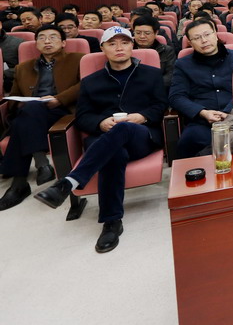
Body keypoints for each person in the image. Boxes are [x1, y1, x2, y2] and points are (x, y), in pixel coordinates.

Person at [34, 27, 167, 253]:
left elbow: (161, 105)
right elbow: (82, 116)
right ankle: (111, 222)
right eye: (112, 44)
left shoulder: (151, 74)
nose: (119, 48)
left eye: (124, 43)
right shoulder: (90, 81)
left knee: (124, 128)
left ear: (132, 46)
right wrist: (100, 123)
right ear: (103, 48)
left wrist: (142, 116)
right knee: (114, 153)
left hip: (141, 136)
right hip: (104, 139)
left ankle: (70, 182)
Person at [0, 26, 84, 210]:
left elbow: (85, 84)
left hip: (63, 111)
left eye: (53, 37)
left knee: (22, 121)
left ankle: (21, 183)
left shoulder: (78, 59)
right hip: (33, 113)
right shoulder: (22, 68)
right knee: (28, 112)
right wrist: (19, 104)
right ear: (36, 43)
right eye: (42, 38)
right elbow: (13, 96)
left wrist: (59, 98)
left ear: (63, 42)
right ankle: (40, 167)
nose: (47, 41)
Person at [169, 19, 233, 158]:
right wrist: (202, 112)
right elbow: (176, 97)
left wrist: (228, 111)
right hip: (203, 122)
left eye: (207, 34)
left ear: (216, 34)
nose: (204, 40)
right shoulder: (183, 64)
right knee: (189, 141)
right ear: (190, 42)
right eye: (197, 38)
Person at [131, 16, 176, 88]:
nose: (142, 36)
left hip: (158, 87)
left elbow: (170, 75)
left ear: (156, 33)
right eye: (138, 33)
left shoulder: (166, 50)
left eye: (147, 33)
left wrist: (151, 85)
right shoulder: (127, 49)